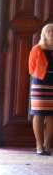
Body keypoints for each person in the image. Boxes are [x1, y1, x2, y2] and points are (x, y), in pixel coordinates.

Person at [28, 23, 53, 155]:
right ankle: (39, 144)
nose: (51, 34)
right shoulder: (37, 48)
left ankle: (47, 144)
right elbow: (31, 68)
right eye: (48, 31)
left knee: (51, 115)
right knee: (38, 113)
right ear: (44, 34)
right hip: (40, 84)